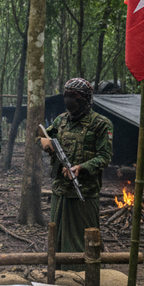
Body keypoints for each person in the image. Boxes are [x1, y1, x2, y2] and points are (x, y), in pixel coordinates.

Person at [39, 78, 113, 271]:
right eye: (66, 95)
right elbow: (43, 135)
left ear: (86, 99)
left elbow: (104, 157)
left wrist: (81, 167)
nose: (68, 99)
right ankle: (57, 275)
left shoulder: (101, 124)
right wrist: (45, 144)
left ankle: (81, 277)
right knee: (56, 239)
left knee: (83, 241)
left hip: (84, 193)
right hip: (60, 191)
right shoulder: (61, 120)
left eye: (74, 96)